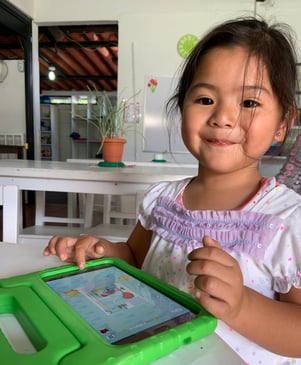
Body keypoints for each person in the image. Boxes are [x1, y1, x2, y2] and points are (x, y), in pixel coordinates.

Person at [44, 17, 301, 364]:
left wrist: (242, 305)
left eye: (249, 103)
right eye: (206, 98)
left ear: (282, 124)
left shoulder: (287, 219)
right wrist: (102, 251)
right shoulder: (162, 200)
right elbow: (134, 259)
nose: (223, 117)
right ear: (182, 107)